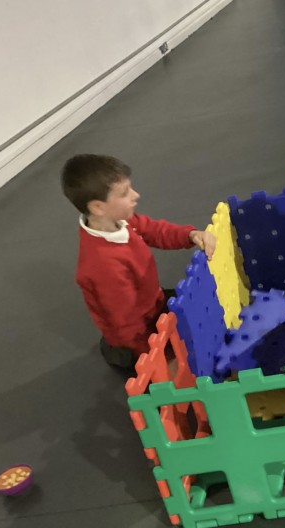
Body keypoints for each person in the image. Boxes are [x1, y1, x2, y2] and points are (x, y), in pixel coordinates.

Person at [61, 154, 216, 370]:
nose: (136, 195)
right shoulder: (102, 266)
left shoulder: (120, 221)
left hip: (152, 304)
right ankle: (116, 351)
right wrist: (160, 360)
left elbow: (155, 230)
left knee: (199, 307)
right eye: (125, 193)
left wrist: (190, 235)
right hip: (134, 337)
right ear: (98, 207)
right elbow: (126, 325)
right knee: (186, 360)